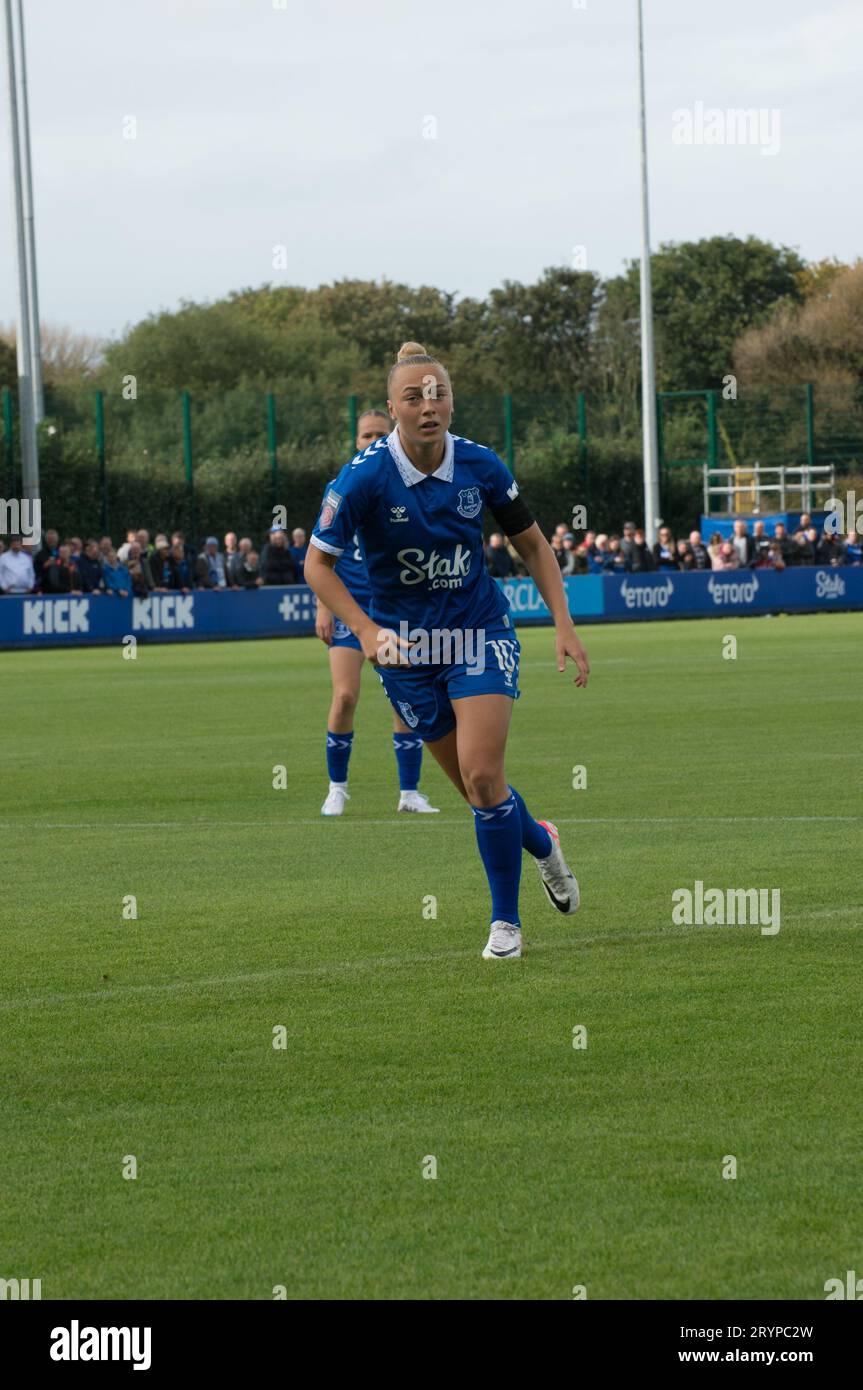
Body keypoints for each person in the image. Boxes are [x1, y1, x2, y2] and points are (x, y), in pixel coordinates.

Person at [306, 342, 588, 961]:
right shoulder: (363, 477)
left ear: (451, 401)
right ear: (392, 407)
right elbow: (317, 565)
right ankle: (543, 843)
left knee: (485, 777)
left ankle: (505, 926)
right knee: (478, 794)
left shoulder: (481, 465)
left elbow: (535, 548)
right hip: (407, 652)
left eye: (438, 394)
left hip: (479, 633)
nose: (428, 406)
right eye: (414, 397)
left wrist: (562, 623)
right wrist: (369, 631)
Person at [313, 407, 440, 817]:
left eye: (379, 434)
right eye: (365, 435)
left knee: (404, 700)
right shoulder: (343, 486)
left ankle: (409, 794)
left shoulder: (403, 486)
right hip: (352, 613)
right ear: (356, 441)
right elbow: (321, 556)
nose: (372, 441)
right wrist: (323, 607)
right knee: (346, 694)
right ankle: (337, 788)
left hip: (394, 610)